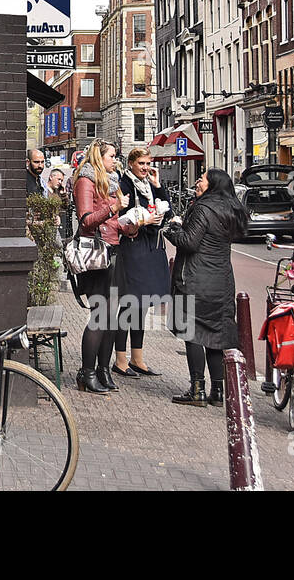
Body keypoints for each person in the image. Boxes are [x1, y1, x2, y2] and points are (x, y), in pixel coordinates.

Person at [162, 168, 248, 407]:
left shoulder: (203, 208)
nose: (198, 182)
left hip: (196, 278)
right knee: (216, 336)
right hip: (221, 280)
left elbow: (189, 242)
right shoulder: (232, 209)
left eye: (202, 179)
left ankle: (197, 388)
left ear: (212, 185)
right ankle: (218, 391)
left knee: (194, 334)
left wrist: (174, 228)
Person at [72, 140, 128, 395]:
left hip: (113, 250)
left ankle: (103, 370)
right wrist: (113, 207)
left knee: (112, 316)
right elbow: (86, 221)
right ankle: (87, 372)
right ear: (99, 157)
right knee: (100, 315)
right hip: (96, 254)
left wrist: (133, 224)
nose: (115, 161)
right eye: (112, 156)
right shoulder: (86, 181)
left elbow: (114, 222)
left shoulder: (111, 181)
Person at [112, 147, 170, 378]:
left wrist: (158, 186)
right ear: (131, 163)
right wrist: (143, 220)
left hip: (152, 248)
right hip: (134, 247)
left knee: (144, 304)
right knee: (129, 303)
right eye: (141, 164)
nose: (146, 168)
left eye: (148, 163)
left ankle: (138, 358)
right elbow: (121, 217)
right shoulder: (124, 184)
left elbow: (168, 208)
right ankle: (120, 359)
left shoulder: (149, 186)